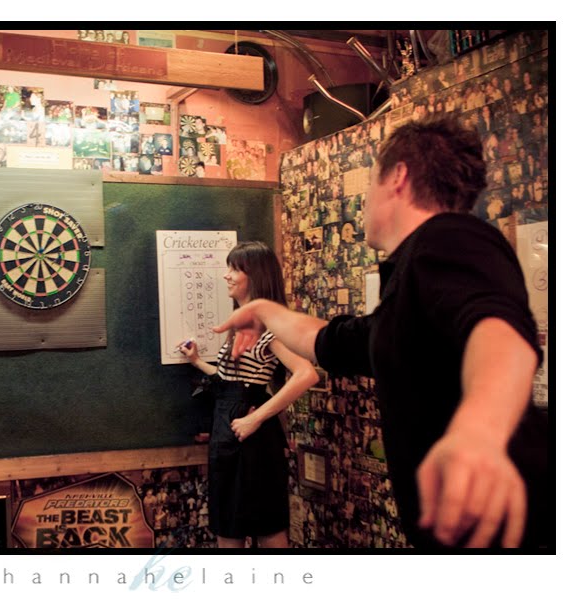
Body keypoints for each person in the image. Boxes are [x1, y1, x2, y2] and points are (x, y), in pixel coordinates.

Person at [214, 118, 550, 549]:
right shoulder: (410, 288)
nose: (364, 201)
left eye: (370, 182)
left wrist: (480, 431)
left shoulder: (450, 237)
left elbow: (499, 333)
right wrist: (263, 310)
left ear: (398, 177)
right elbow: (327, 340)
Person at [178, 241, 318, 548]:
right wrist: (198, 361)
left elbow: (307, 374)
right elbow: (233, 381)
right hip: (228, 430)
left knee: (265, 526)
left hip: (252, 438)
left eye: (234, 269)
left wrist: (256, 418)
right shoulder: (245, 323)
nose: (226, 275)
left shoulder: (268, 327)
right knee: (228, 524)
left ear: (254, 275)